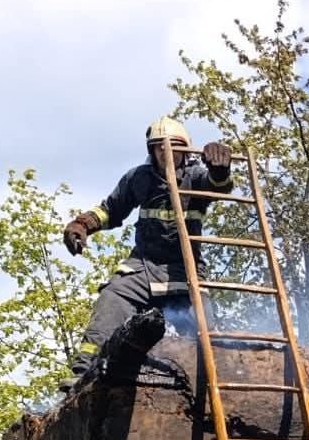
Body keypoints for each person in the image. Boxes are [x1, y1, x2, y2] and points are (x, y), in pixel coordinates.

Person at [61, 117, 233, 376]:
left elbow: (218, 186)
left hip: (185, 271)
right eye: (159, 146)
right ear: (152, 151)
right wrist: (82, 224)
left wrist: (220, 171)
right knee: (112, 298)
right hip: (143, 266)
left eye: (173, 146)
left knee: (204, 331)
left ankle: (214, 378)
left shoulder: (196, 177)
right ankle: (83, 374)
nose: (166, 152)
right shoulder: (139, 178)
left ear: (185, 150)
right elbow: (111, 209)